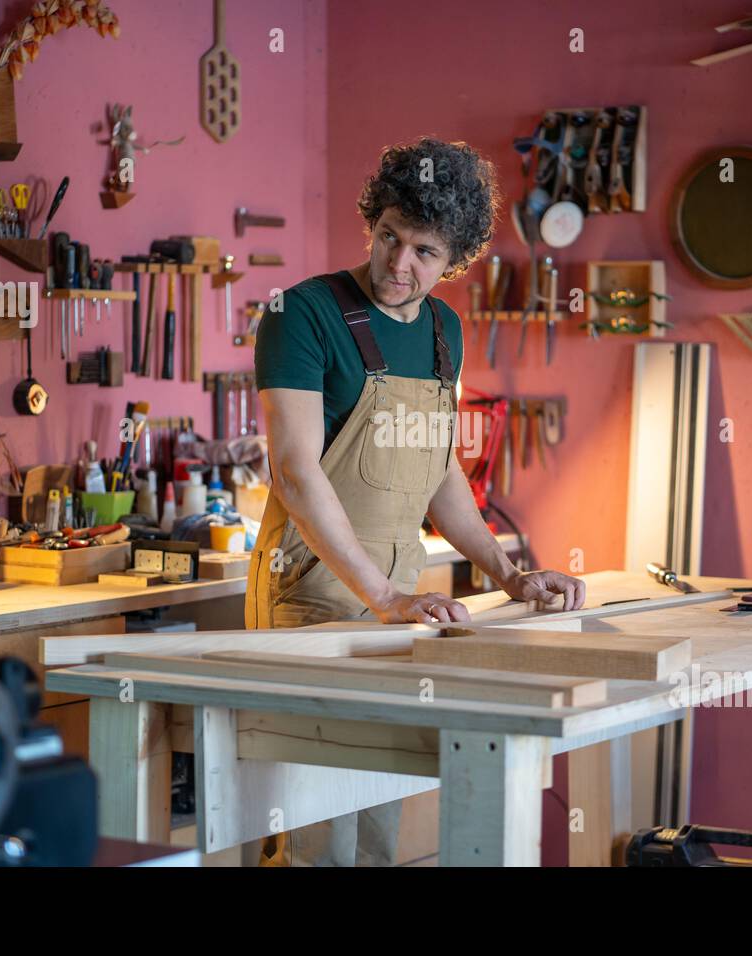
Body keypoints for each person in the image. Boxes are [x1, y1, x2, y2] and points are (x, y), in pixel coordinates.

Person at [248, 138, 585, 865]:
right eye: (389, 236)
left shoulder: (443, 331)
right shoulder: (300, 314)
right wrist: (381, 595)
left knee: (376, 828)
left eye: (425, 252)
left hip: (397, 602)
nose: (398, 264)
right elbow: (296, 471)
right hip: (314, 598)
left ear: (455, 261)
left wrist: (509, 574)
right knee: (316, 840)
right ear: (373, 221)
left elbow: (440, 475)